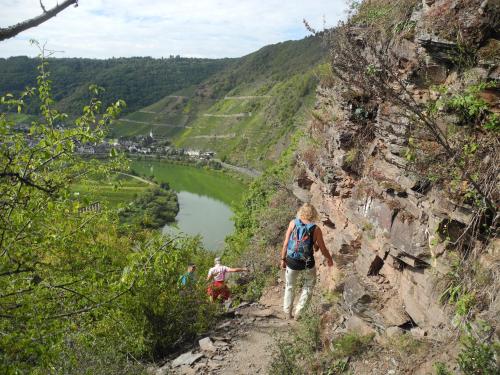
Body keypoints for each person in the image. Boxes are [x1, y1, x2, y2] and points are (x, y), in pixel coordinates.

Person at [280, 203, 334, 320]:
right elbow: (323, 248)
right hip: (307, 263)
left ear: (301, 212)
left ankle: (287, 312)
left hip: (291, 262)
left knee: (290, 286)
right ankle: (299, 311)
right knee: (309, 286)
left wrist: (283, 259)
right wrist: (329, 259)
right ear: (313, 214)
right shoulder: (316, 229)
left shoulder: (293, 223)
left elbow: (285, 244)